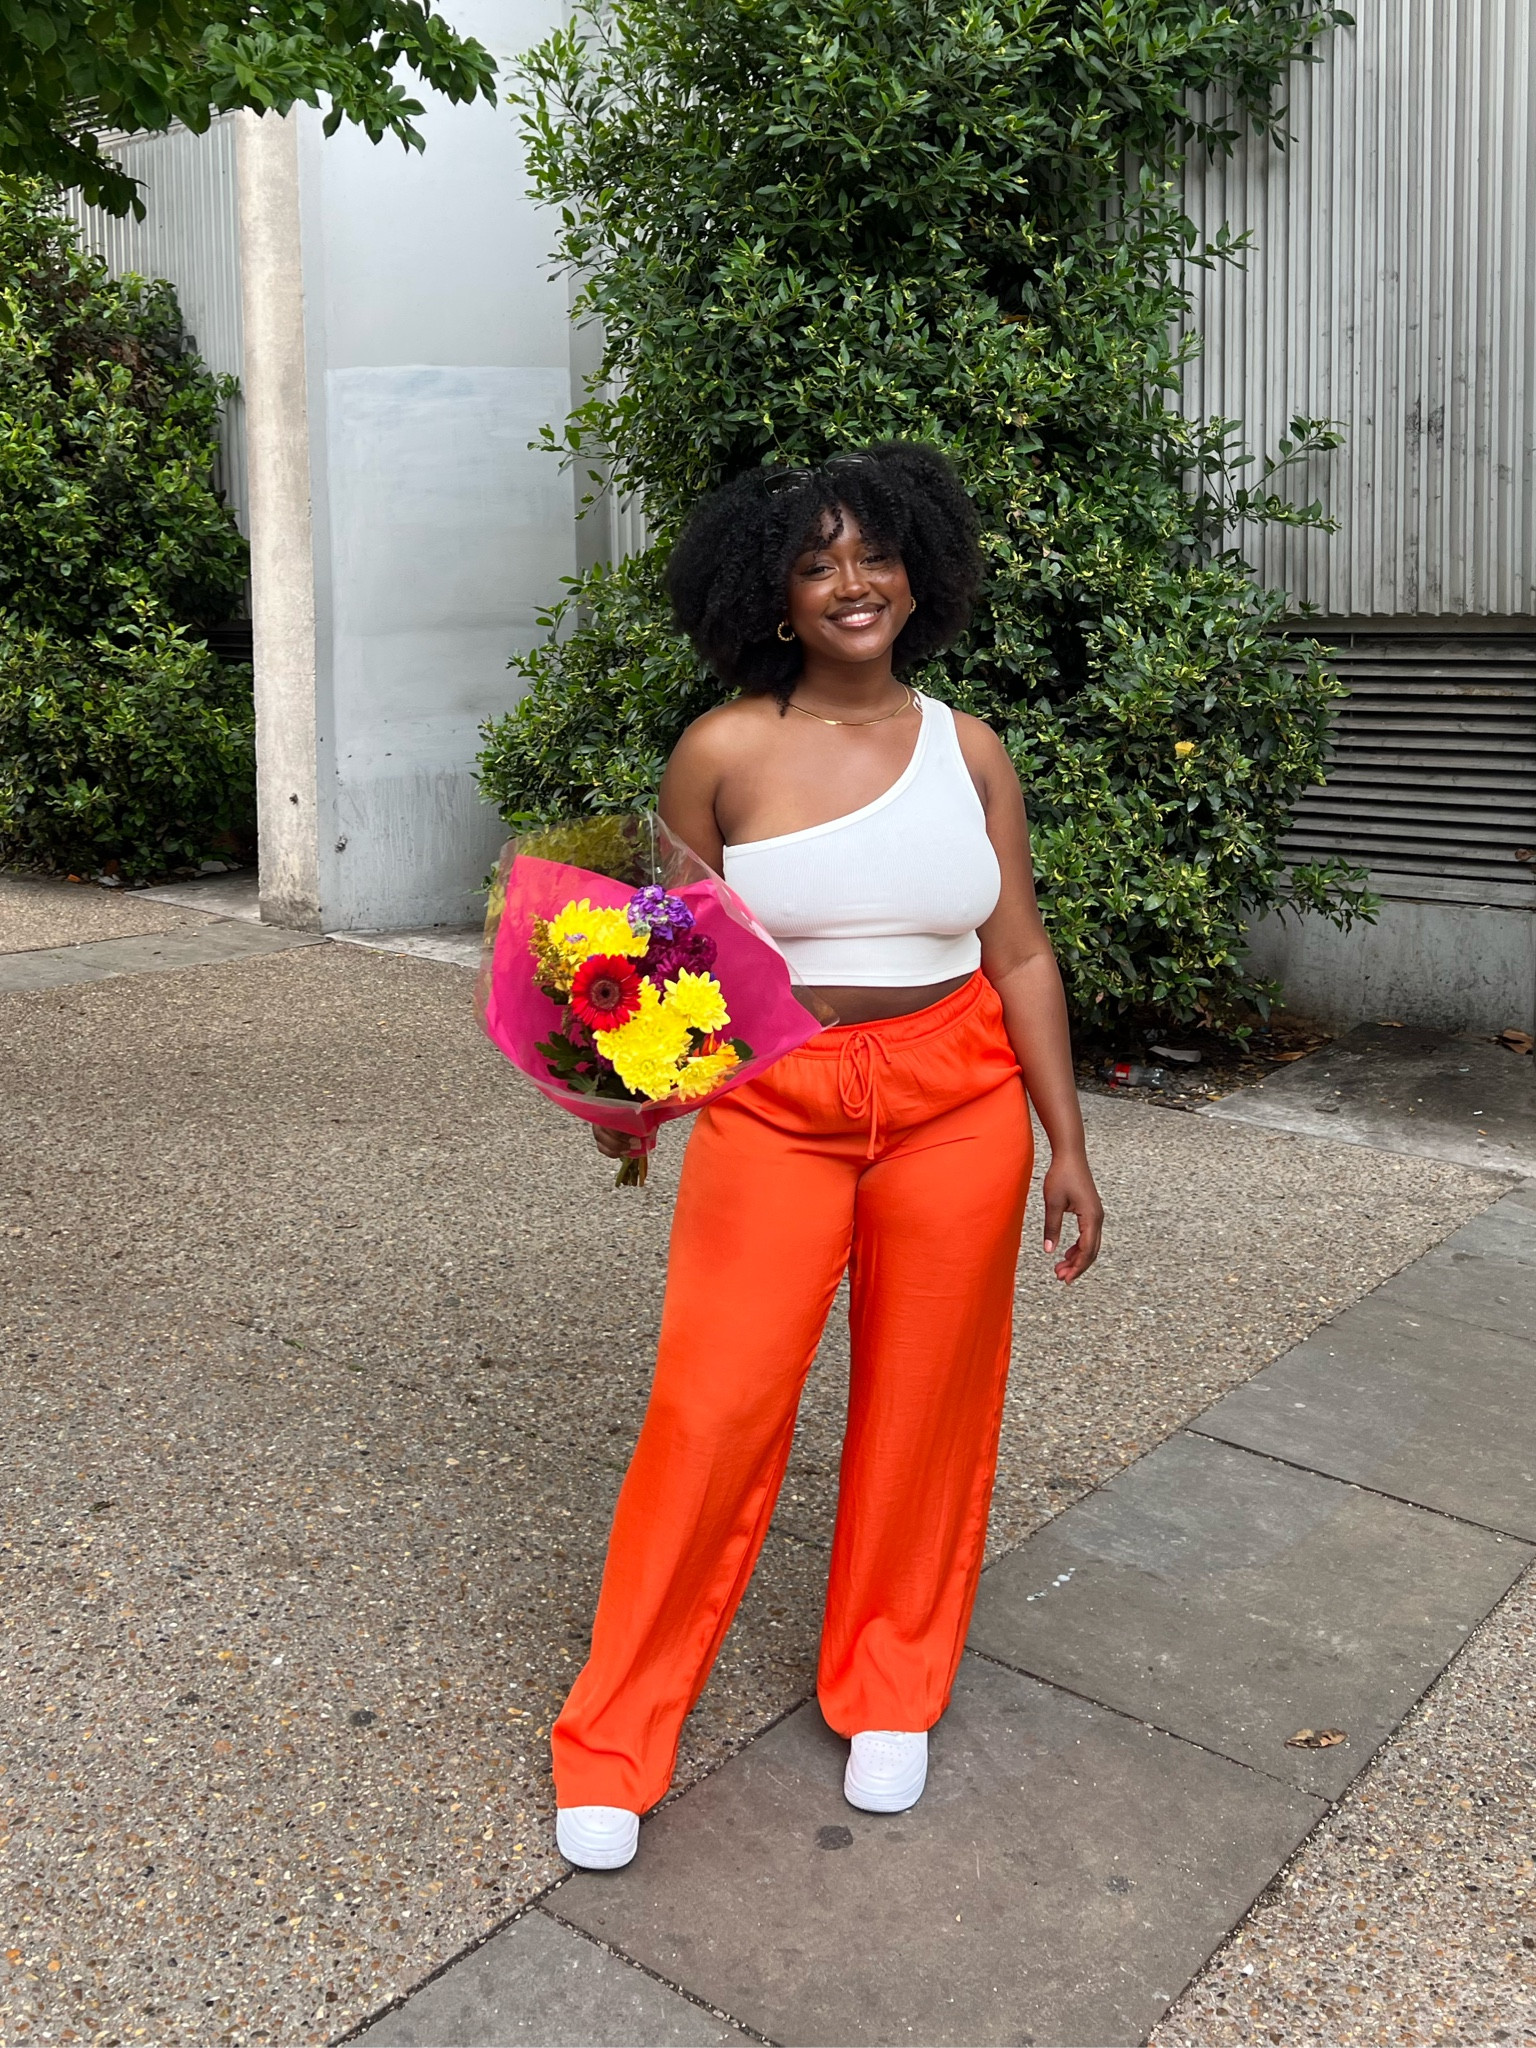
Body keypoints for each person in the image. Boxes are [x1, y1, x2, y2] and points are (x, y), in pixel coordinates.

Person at [551, 442, 1103, 1871]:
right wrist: (628, 1095)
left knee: (929, 1402)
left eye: (871, 556)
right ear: (772, 597)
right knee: (714, 1410)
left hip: (956, 1097)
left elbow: (1021, 948)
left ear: (919, 571)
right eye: (813, 565)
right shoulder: (721, 750)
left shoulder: (971, 747)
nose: (849, 584)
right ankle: (615, 1738)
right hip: (778, 1106)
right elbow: (663, 965)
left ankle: (892, 1683)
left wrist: (1068, 1144)